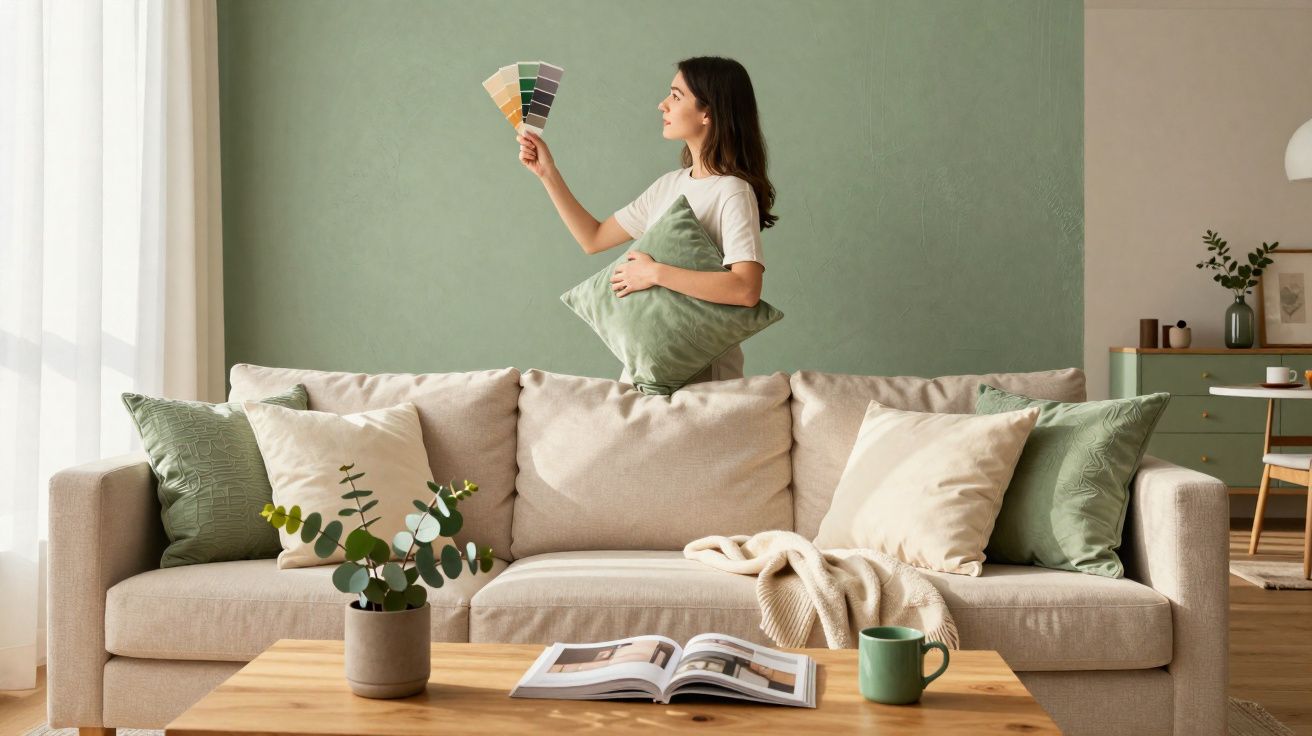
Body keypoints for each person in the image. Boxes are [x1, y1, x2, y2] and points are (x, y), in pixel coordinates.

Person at [518, 55, 777, 385]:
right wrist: (548, 173)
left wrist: (654, 273)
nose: (662, 105)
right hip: (643, 374)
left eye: (676, 96)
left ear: (707, 112)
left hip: (702, 380)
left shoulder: (732, 191)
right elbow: (593, 238)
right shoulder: (670, 184)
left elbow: (746, 289)